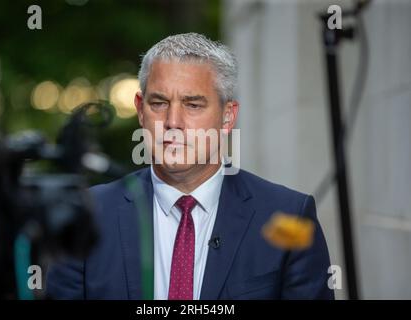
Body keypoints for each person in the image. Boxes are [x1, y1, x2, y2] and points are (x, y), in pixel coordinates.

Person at [46, 33, 334, 300]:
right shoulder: (86, 214)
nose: (173, 122)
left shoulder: (289, 214)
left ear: (228, 116)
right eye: (158, 103)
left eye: (193, 105)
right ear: (140, 110)